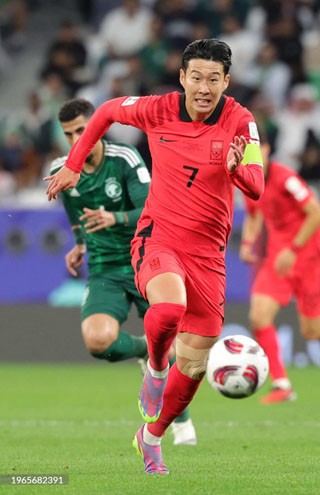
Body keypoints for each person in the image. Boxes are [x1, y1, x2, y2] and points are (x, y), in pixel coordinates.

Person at [45, 39, 265, 474]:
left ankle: (151, 436)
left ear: (226, 81)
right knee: (168, 308)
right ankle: (156, 369)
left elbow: (257, 186)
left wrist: (237, 168)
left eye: (213, 79)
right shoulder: (157, 109)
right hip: (158, 235)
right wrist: (73, 161)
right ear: (183, 77)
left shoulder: (241, 121)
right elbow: (106, 110)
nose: (204, 87)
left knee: (197, 363)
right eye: (196, 77)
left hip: (209, 253)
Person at [51, 97, 197, 447]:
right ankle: (146, 350)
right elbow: (74, 210)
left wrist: (115, 218)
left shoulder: (125, 159)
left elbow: (152, 207)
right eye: (69, 134)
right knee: (97, 341)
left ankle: (180, 424)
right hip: (104, 269)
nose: (76, 141)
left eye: (82, 131)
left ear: (98, 129)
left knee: (174, 348)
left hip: (146, 259)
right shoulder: (64, 168)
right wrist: (80, 244)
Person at [239, 133, 320, 404]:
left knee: (311, 330)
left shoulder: (287, 179)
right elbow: (254, 215)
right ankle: (282, 384)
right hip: (277, 261)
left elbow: (317, 213)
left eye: (255, 149)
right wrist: (248, 241)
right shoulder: (249, 181)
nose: (252, 156)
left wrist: (293, 249)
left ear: (267, 149)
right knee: (259, 316)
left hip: (309, 259)